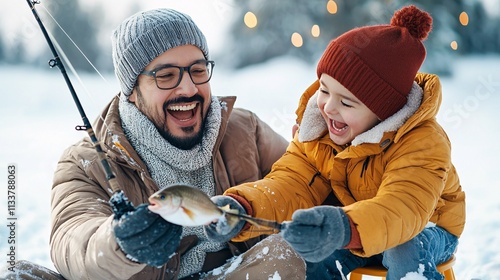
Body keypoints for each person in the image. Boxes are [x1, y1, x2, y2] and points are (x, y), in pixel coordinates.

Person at [3, 8, 306, 280]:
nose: (188, 88)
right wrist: (119, 242)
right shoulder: (84, 162)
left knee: (282, 255)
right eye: (166, 76)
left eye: (198, 70)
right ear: (132, 91)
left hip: (230, 274)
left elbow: (306, 186)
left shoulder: (245, 130)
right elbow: (73, 241)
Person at [204, 5, 466, 280]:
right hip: (355, 225)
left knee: (405, 247)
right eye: (325, 90)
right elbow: (289, 183)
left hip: (426, 226)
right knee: (311, 256)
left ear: (383, 111)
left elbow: (402, 207)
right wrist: (244, 208)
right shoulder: (318, 133)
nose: (328, 107)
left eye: (346, 102)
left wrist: (344, 225)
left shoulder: (422, 141)